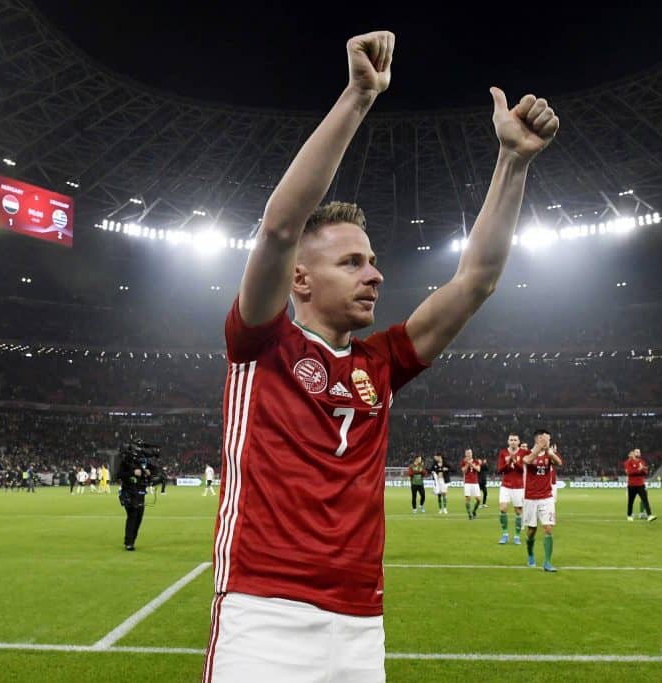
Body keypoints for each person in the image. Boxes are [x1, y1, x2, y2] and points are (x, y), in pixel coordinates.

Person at [202, 30, 558, 682]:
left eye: (372, 260)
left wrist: (513, 162)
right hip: (263, 613)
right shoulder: (262, 342)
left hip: (361, 625)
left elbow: (475, 281)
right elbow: (280, 226)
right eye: (351, 262)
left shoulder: (381, 363)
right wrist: (359, 96)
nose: (375, 274)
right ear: (300, 279)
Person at [522, 429, 562, 572]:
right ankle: (530, 553)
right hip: (530, 498)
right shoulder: (526, 453)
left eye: (549, 440)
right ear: (538, 439)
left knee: (548, 528)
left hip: (547, 497)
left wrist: (551, 454)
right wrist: (538, 448)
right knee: (531, 530)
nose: (548, 442)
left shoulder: (548, 454)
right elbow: (527, 461)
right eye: (546, 439)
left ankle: (547, 562)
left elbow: (559, 462)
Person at [116, 440, 158, 551]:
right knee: (132, 516)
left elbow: (153, 472)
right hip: (129, 492)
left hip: (140, 493)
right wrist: (132, 473)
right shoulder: (125, 462)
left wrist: (148, 473)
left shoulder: (142, 462)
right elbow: (118, 475)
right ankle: (129, 543)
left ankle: (131, 541)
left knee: (139, 518)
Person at [496, 433, 525, 545]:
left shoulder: (523, 453)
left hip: (519, 486)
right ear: (508, 441)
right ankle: (505, 534)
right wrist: (508, 462)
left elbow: (523, 470)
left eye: (515, 440)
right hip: (506, 485)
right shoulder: (503, 452)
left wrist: (515, 462)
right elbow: (500, 469)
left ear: (518, 442)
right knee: (503, 508)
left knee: (518, 512)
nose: (513, 442)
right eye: (511, 440)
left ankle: (517, 536)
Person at [623, 448, 656, 522]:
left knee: (645, 500)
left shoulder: (642, 461)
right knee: (631, 501)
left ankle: (649, 515)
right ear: (634, 453)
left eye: (639, 452)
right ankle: (629, 515)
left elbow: (645, 472)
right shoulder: (629, 462)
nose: (638, 453)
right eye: (636, 452)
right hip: (632, 485)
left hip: (641, 484)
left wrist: (642, 470)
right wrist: (639, 469)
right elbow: (629, 472)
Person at [461, 449, 482, 520]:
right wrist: (467, 464)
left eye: (470, 453)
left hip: (475, 482)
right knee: (468, 498)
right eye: (467, 453)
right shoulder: (463, 462)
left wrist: (472, 464)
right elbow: (463, 471)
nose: (469, 454)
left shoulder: (476, 461)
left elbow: (478, 470)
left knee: (478, 500)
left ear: (472, 453)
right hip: (467, 482)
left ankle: (474, 511)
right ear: (465, 454)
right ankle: (470, 514)